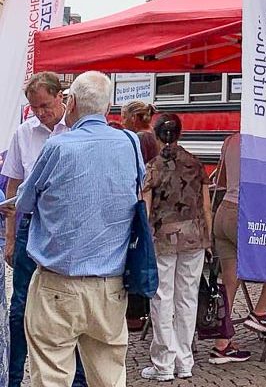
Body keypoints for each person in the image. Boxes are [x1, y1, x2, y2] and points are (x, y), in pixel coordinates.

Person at [14, 71, 141, 387]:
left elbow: (25, 202)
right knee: (109, 377)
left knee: (51, 375)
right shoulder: (130, 142)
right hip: (111, 284)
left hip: (58, 284)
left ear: (69, 103)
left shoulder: (58, 146)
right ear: (107, 107)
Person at [2, 72, 87, 387]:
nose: (41, 112)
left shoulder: (78, 130)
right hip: (31, 226)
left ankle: (78, 379)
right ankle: (12, 378)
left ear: (61, 97)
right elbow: (12, 184)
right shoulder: (24, 133)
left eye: (46, 105)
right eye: (35, 107)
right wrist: (10, 238)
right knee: (21, 305)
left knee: (73, 305)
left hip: (70, 229)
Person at [140, 113, 212, 381]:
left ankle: (163, 363)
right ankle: (185, 362)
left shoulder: (153, 167)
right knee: (188, 298)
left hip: (162, 240)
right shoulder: (195, 163)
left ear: (156, 135)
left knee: (162, 298)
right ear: (179, 133)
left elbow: (144, 208)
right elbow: (205, 206)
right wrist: (209, 237)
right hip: (194, 237)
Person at [209, 133, 266, 364]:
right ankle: (260, 313)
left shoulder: (231, 140)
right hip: (246, 213)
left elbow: (220, 180)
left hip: (224, 212)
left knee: (230, 280)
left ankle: (221, 345)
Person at [120, 100, 158, 333]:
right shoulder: (152, 136)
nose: (121, 120)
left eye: (124, 116)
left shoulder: (140, 139)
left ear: (133, 118)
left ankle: (134, 313)